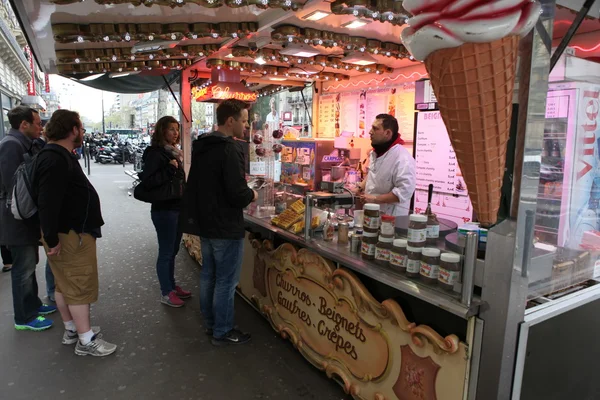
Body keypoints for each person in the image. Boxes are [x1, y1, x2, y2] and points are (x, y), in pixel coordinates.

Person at [36, 109, 115, 356]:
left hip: (65, 233)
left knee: (65, 283)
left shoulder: (54, 155)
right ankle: (86, 339)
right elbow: (48, 202)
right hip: (69, 234)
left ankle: (72, 329)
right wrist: (51, 238)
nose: (82, 132)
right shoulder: (55, 159)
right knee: (79, 283)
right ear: (71, 130)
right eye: (80, 128)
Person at [181, 99, 257, 346]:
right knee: (226, 281)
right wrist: (253, 194)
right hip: (225, 225)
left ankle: (211, 324)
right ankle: (222, 331)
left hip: (206, 223)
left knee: (209, 276)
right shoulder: (229, 149)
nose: (246, 126)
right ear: (230, 121)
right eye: (244, 121)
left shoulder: (202, 145)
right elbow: (237, 194)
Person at [0, 105, 56, 331]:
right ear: (23, 124)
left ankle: (32, 304)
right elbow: (15, 187)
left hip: (23, 216)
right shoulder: (11, 146)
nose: (40, 127)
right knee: (23, 268)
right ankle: (24, 317)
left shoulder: (24, 144)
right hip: (16, 218)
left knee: (29, 265)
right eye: (36, 123)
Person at [141, 116, 191, 308]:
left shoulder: (173, 152)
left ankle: (171, 285)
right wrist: (169, 170)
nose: (175, 133)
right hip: (164, 210)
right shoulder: (155, 153)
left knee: (173, 251)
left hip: (177, 208)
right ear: (162, 131)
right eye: (171, 129)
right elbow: (149, 181)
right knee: (166, 252)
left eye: (177, 129)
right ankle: (166, 292)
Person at [358, 114, 416, 216]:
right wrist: (359, 188)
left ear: (387, 133)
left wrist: (375, 199)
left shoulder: (402, 158)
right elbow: (374, 173)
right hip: (371, 213)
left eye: (375, 128)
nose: (370, 132)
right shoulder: (376, 152)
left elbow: (404, 191)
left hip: (391, 218)